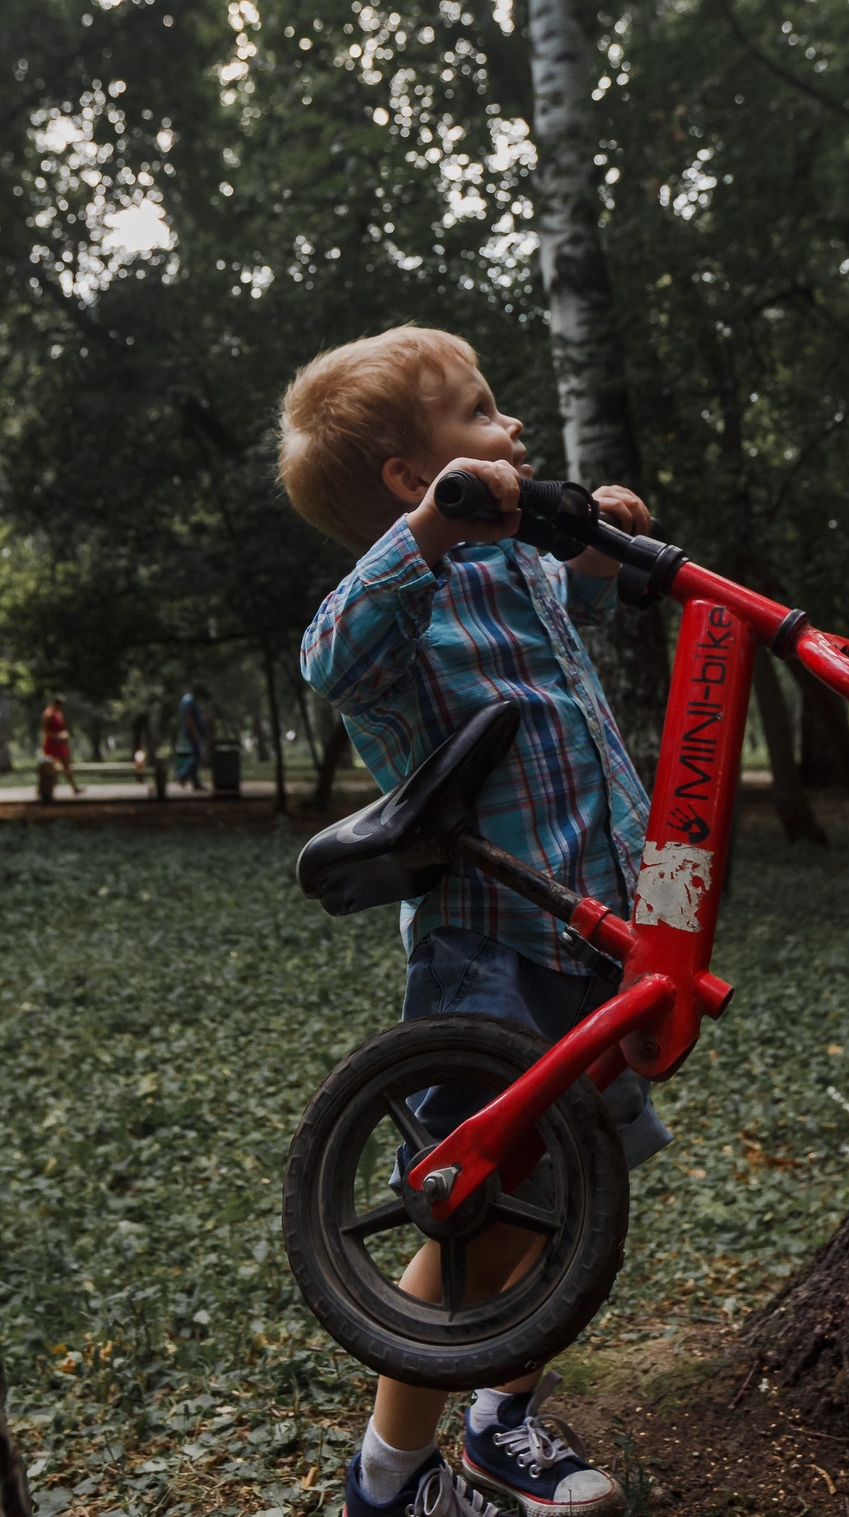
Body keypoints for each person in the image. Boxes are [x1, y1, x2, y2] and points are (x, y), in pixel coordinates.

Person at [282, 325, 662, 1517]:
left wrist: (599, 537)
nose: (514, 428)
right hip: (489, 946)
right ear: (415, 477)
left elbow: (569, 600)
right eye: (483, 413)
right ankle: (385, 1482)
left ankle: (502, 1427)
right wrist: (435, 531)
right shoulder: (396, 613)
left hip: (595, 932)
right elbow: (326, 654)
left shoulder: (509, 574)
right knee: (476, 1214)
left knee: (571, 1208)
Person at [39, 694, 83, 794]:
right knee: (49, 769)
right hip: (52, 745)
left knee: (66, 766)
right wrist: (56, 736)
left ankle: (74, 787)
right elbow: (45, 729)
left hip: (60, 745)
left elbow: (62, 728)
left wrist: (64, 735)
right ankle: (44, 790)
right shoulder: (49, 714)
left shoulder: (59, 714)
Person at [175, 686, 210, 790]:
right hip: (192, 733)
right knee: (196, 756)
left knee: (196, 755)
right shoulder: (189, 700)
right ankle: (183, 774)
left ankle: (195, 782)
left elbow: (196, 716)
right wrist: (194, 732)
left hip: (195, 732)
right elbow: (189, 717)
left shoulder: (194, 701)